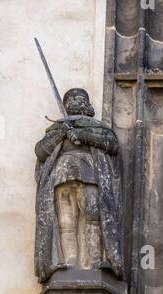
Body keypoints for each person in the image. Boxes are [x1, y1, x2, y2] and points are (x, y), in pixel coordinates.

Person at [34, 88, 124, 281]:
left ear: (88, 105)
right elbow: (41, 151)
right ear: (66, 106)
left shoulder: (97, 126)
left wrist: (83, 136)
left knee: (92, 214)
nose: (77, 101)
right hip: (62, 175)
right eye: (72, 99)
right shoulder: (57, 129)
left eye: (81, 98)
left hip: (91, 172)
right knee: (66, 221)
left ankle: (93, 260)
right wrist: (62, 135)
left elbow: (112, 144)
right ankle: (69, 262)